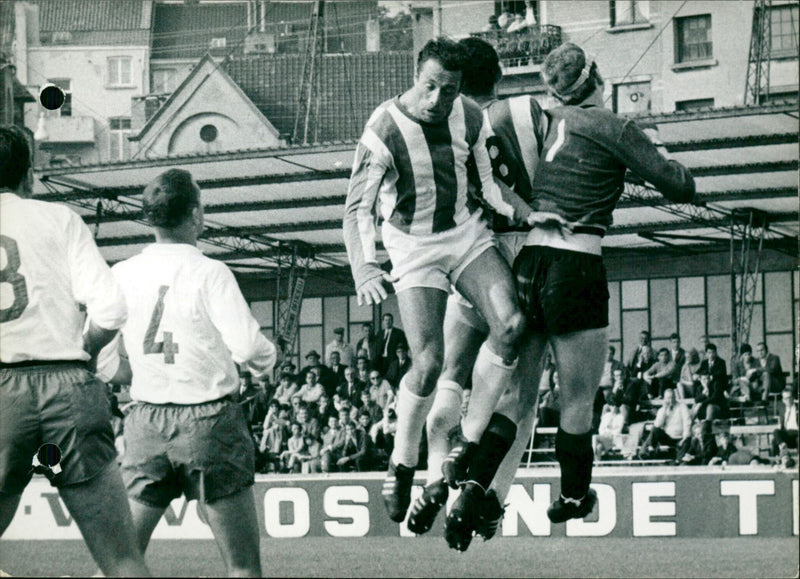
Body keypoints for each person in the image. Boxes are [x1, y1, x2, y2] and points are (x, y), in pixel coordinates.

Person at [453, 41, 695, 530]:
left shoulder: (555, 122)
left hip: (530, 262)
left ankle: (474, 483)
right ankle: (573, 497)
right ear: (598, 77)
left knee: (519, 397)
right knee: (577, 397)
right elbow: (680, 186)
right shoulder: (616, 126)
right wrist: (658, 147)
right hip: (576, 264)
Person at [343, 38, 538, 526]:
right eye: (429, 87)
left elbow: (488, 186)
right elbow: (356, 210)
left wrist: (530, 214)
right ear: (416, 76)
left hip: (467, 236)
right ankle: (402, 461)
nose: (437, 100)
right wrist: (365, 267)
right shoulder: (383, 128)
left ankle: (467, 445)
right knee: (428, 364)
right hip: (414, 249)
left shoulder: (470, 116)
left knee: (512, 326)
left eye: (447, 90)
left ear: (459, 89)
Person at [98, 168, 277, 576]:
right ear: (195, 215)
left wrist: (139, 375)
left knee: (123, 560)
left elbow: (105, 360)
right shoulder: (210, 272)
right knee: (243, 567)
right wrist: (269, 361)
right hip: (209, 422)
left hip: (145, 422)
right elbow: (249, 347)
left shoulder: (121, 273)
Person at [406, 36, 547, 544]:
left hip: (476, 256)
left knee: (451, 373)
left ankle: (432, 477)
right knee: (520, 394)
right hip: (530, 253)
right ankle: (486, 496)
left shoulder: (447, 125)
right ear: (500, 76)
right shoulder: (528, 111)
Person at [0, 125, 150, 577]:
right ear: (29, 174)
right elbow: (110, 309)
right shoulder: (59, 218)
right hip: (67, 387)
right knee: (122, 559)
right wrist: (82, 352)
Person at [638, 388, 691, 460]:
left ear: (675, 397)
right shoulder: (662, 410)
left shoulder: (682, 407)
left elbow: (687, 422)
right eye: (668, 398)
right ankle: (645, 453)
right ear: (665, 399)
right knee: (655, 429)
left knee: (688, 439)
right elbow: (658, 425)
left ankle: (679, 460)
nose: (671, 400)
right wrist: (664, 410)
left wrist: (684, 438)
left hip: (680, 438)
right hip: (668, 437)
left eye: (672, 397)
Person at [771, 388, 798, 467]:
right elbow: (781, 425)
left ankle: (785, 456)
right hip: (787, 435)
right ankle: (776, 461)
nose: (788, 400)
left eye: (790, 398)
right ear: (783, 400)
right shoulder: (782, 409)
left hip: (797, 433)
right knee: (775, 434)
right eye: (786, 398)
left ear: (793, 398)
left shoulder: (798, 408)